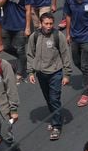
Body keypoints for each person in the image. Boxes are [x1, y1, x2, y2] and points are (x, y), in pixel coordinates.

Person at [27, 12, 73, 141]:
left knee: (54, 99)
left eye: (51, 24)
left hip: (55, 73)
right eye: (46, 24)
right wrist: (31, 72)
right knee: (48, 98)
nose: (48, 26)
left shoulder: (58, 36)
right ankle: (54, 118)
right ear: (41, 24)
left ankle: (56, 126)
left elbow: (65, 55)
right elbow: (30, 55)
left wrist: (67, 74)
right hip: (41, 74)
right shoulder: (34, 36)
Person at [0, 0, 29, 81]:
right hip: (6, 25)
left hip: (20, 25)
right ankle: (22, 59)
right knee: (4, 46)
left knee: (20, 49)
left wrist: (28, 27)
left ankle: (20, 73)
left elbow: (28, 9)